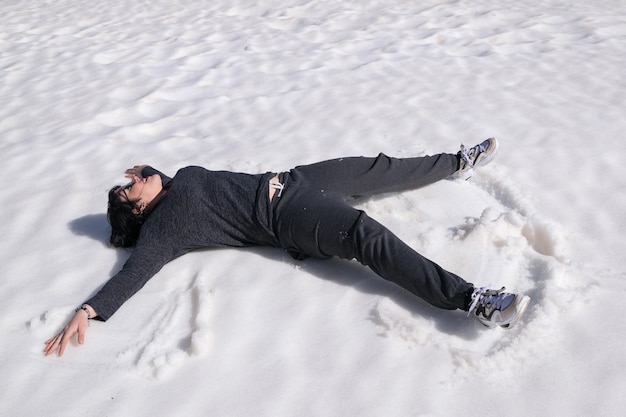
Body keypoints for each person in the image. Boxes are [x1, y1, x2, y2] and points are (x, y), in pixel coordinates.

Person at [45, 138, 530, 357]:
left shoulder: (176, 181)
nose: (138, 180)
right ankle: (472, 300)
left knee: (376, 168)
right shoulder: (163, 231)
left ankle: (453, 163)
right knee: (368, 236)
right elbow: (135, 272)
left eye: (134, 179)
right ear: (136, 213)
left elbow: (167, 177)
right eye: (131, 189)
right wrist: (89, 310)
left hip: (294, 180)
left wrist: (145, 172)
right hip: (287, 219)